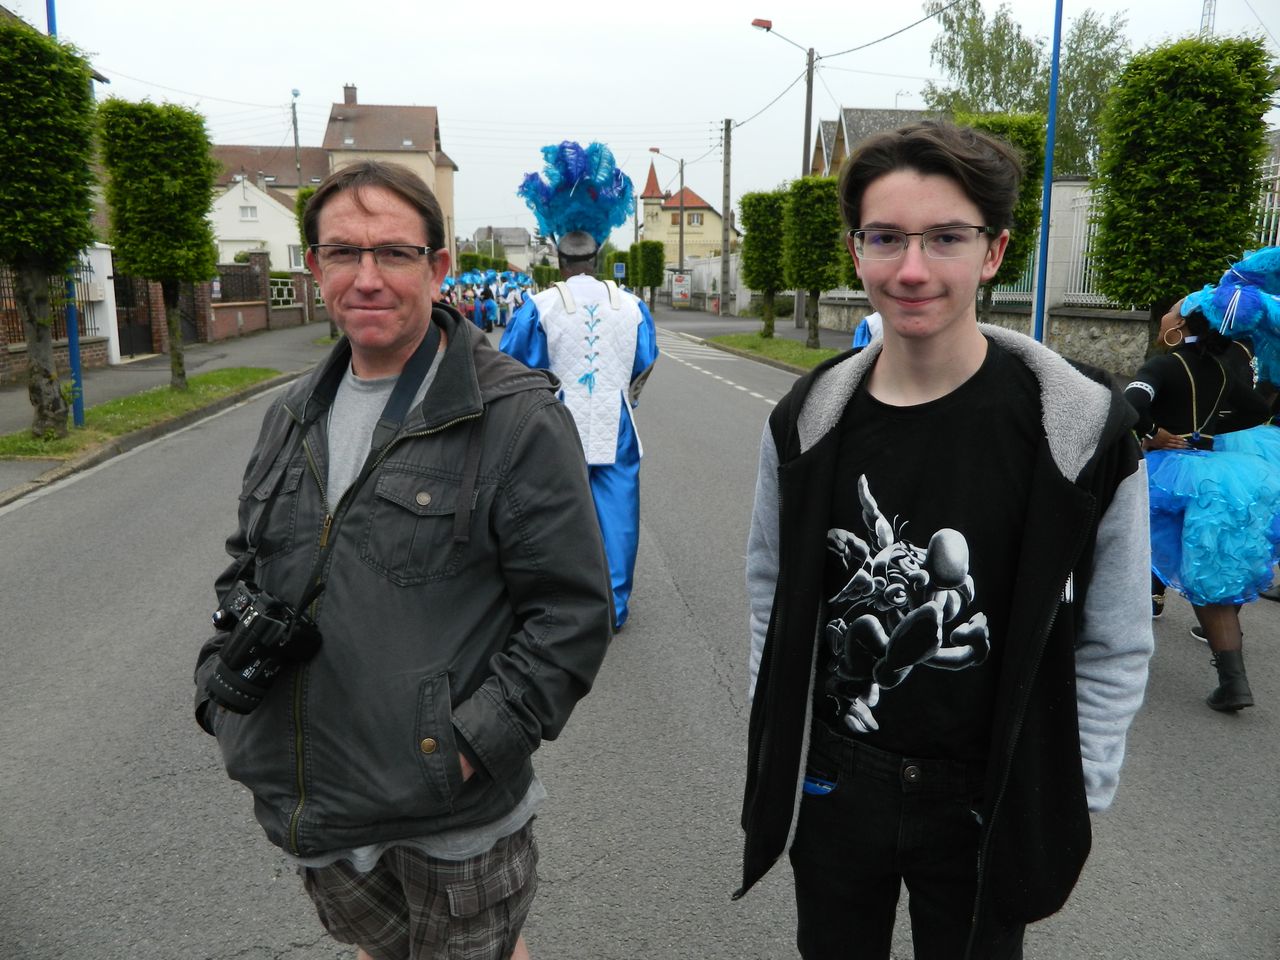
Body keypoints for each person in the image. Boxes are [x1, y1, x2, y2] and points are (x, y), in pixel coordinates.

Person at [736, 121, 1154, 959]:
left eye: (946, 238)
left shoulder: (1079, 433)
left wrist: (1075, 786)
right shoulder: (807, 422)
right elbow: (770, 595)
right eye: (886, 237)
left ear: (994, 252)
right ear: (856, 252)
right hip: (837, 779)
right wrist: (784, 742)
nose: (912, 269)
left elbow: (1114, 638)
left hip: (986, 796)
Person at [193, 160, 613, 960]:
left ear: (437, 267)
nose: (367, 277)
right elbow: (245, 565)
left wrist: (467, 749)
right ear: (315, 267)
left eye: (393, 252)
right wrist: (222, 696)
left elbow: (570, 614)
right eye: (343, 253)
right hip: (316, 804)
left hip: (449, 818)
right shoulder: (290, 414)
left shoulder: (515, 418)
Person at [502, 141, 658, 631]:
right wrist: (624, 395)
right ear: (599, 252)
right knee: (618, 512)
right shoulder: (632, 306)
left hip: (557, 421)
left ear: (557, 253)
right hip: (616, 420)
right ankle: (613, 605)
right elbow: (644, 361)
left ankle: (558, 602)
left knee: (553, 511)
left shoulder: (538, 307)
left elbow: (515, 366)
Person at [1126, 294, 1280, 710]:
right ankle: (1234, 684)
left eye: (1170, 313)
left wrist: (1155, 432)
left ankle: (1098, 647)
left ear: (1182, 325)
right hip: (1214, 476)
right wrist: (1206, 432)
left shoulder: (1163, 365)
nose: (1164, 317)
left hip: (1164, 476)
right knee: (1209, 575)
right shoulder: (1221, 369)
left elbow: (1130, 404)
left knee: (1120, 552)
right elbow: (1255, 411)